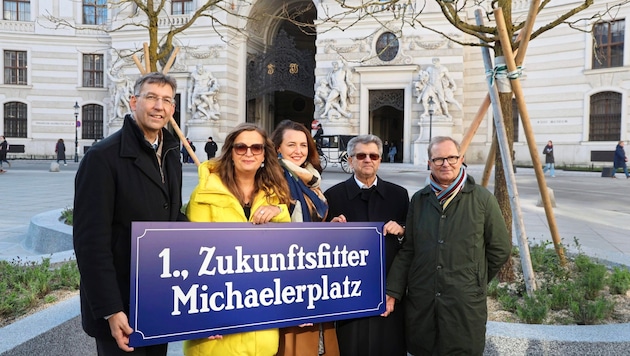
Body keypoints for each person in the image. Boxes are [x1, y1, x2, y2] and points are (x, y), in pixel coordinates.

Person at [73, 72, 187, 356]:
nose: (159, 106)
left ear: (173, 109)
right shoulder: (102, 158)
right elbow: (90, 243)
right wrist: (111, 310)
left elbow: (173, 218)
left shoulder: (172, 153)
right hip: (121, 304)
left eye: (166, 100)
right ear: (134, 101)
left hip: (157, 300)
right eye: (151, 97)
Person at [383, 136, 511, 356]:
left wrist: (475, 279)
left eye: (451, 157)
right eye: (439, 159)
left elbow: (500, 248)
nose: (446, 164)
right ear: (429, 163)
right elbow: (410, 249)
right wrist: (392, 291)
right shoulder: (420, 200)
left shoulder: (482, 199)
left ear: (461, 159)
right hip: (423, 300)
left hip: (464, 303)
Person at [183, 122, 292, 356]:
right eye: (241, 147)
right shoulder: (203, 194)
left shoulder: (275, 195)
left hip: (261, 330)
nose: (249, 153)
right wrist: (201, 315)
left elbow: (289, 256)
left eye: (256, 148)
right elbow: (191, 259)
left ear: (265, 154)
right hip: (216, 330)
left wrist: (280, 212)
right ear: (230, 152)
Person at [324, 134, 408, 356]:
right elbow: (321, 250)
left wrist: (402, 230)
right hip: (349, 294)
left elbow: (410, 246)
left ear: (380, 160)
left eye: (373, 155)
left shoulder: (399, 196)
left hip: (388, 292)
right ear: (350, 160)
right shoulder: (333, 196)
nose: (367, 160)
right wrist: (329, 230)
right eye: (361, 155)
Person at [270, 120, 339, 356]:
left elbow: (311, 222)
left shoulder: (310, 178)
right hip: (286, 275)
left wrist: (329, 227)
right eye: (291, 145)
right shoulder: (270, 177)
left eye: (303, 145)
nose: (299, 150)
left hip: (314, 270)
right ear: (277, 147)